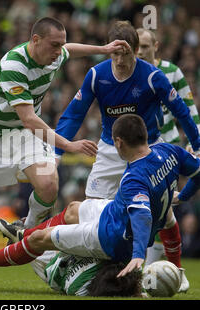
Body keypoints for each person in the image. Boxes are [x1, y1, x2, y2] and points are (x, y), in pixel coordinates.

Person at [0, 16, 130, 287]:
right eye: (54, 45)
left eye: (61, 45)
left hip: (25, 137)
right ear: (35, 40)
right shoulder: (14, 65)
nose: (59, 51)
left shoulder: (54, 55)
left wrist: (103, 50)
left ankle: (27, 232)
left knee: (48, 184)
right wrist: (68, 145)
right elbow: (29, 119)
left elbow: (71, 49)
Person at [0, 114, 200, 294]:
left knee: (39, 241)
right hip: (113, 212)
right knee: (72, 209)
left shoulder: (135, 178)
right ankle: (25, 232)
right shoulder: (169, 151)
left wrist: (136, 255)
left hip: (111, 236)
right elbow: (197, 171)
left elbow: (142, 216)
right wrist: (183, 196)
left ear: (119, 143)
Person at [54, 20, 199, 292]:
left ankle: (177, 272)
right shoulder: (97, 75)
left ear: (136, 51)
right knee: (94, 214)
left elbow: (181, 110)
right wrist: (57, 152)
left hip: (148, 148)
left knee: (163, 213)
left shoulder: (153, 76)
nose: (120, 60)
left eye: (126, 53)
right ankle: (96, 272)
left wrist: (198, 144)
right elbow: (74, 114)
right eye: (115, 53)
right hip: (110, 150)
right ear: (109, 50)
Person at [136, 27, 200, 267]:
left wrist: (197, 143)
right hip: (137, 151)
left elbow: (190, 111)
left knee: (160, 209)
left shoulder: (172, 72)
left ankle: (156, 268)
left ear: (156, 47)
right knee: (145, 207)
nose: (140, 51)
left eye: (144, 46)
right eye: (137, 46)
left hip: (167, 148)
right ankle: (145, 265)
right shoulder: (129, 70)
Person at [30, 251, 142, 297]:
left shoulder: (78, 287)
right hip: (59, 262)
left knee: (26, 244)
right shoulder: (81, 289)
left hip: (50, 264)